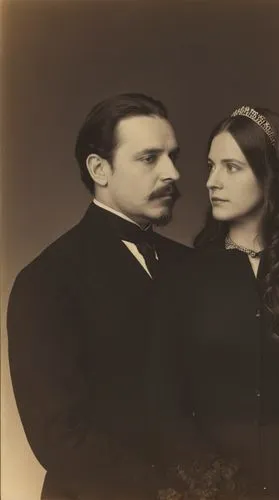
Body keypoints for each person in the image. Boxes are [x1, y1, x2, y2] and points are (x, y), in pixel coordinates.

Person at [150, 106, 279, 500]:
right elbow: (165, 404)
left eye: (232, 167)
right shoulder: (183, 276)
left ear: (273, 179)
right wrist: (209, 485)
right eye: (211, 166)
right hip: (204, 484)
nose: (213, 181)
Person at [7, 93, 191, 500]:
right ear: (99, 169)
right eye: (149, 158)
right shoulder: (46, 281)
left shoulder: (192, 266)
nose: (173, 173)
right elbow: (60, 438)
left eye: (173, 156)